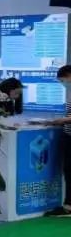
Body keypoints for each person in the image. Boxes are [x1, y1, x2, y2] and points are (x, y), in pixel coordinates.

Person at [37, 65, 71, 217]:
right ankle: (68, 205)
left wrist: (62, 120)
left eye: (63, 80)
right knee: (68, 170)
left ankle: (69, 206)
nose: (63, 84)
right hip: (67, 135)